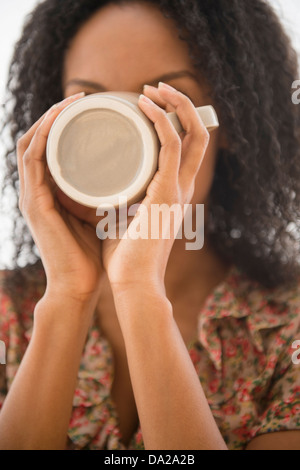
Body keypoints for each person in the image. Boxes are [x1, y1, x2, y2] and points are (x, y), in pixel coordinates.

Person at [0, 0, 300, 450]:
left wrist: (139, 291)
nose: (120, 137)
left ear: (230, 124)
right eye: (91, 103)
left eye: (163, 104)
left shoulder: (287, 327)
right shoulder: (9, 313)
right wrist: (67, 296)